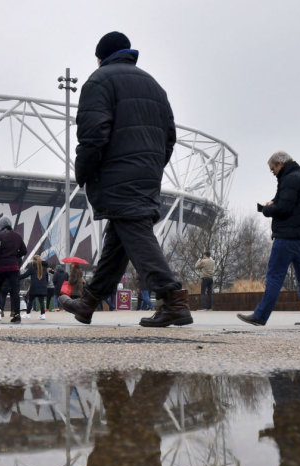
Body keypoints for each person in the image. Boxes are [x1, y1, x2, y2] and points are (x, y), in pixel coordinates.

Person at [62, 31, 192, 327]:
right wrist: (152, 166)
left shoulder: (98, 81)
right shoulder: (154, 86)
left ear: (100, 57)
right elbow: (170, 138)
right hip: (147, 172)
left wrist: (84, 172)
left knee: (134, 230)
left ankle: (173, 299)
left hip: (116, 172)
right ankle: (89, 301)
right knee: (120, 237)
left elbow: (93, 135)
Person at [237, 152, 300, 326]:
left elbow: (285, 208)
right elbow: (292, 202)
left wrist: (266, 210)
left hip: (287, 236)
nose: (273, 173)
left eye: (273, 169)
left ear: (280, 163)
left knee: (274, 276)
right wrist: (274, 201)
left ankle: (260, 316)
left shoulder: (290, 178)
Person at [0, 217, 27, 323]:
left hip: (2, 267)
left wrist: (2, 257)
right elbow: (24, 250)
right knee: (15, 291)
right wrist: (15, 256)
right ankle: (17, 315)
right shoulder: (17, 236)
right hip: (14, 267)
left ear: (1, 226)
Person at [19, 255, 50, 319]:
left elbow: (25, 275)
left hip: (34, 286)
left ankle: (28, 314)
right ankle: (43, 315)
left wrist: (17, 277)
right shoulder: (44, 267)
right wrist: (44, 284)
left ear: (34, 260)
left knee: (30, 300)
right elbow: (47, 278)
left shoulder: (32, 267)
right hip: (43, 286)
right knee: (41, 301)